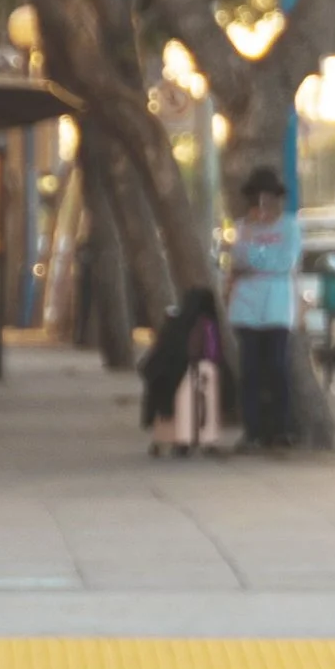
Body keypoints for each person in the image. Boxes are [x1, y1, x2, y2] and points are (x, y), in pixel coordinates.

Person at [226, 168, 302, 451]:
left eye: (267, 199)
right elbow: (238, 258)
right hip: (247, 306)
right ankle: (253, 430)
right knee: (250, 371)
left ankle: (279, 428)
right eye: (257, 200)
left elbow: (284, 261)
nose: (262, 206)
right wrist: (256, 254)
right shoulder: (243, 227)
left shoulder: (289, 227)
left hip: (276, 307)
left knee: (276, 368)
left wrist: (257, 259)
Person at [141, 285, 226, 457]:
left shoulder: (176, 322)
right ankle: (202, 440)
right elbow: (211, 354)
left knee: (169, 407)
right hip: (195, 373)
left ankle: (162, 443)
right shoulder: (206, 325)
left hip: (165, 376)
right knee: (203, 398)